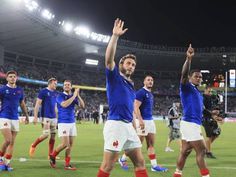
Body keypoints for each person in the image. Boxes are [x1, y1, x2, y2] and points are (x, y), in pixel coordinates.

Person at [97, 18, 149, 177]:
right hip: (116, 126)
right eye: (128, 63)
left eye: (133, 65)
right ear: (121, 65)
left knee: (140, 163)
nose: (131, 66)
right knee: (108, 166)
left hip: (128, 126)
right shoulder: (114, 77)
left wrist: (134, 126)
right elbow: (108, 59)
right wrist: (115, 36)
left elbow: (130, 109)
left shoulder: (131, 85)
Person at [173, 44, 210, 177]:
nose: (199, 78)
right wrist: (188, 59)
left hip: (191, 124)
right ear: (190, 78)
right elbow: (183, 74)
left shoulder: (197, 93)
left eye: (200, 77)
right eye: (196, 76)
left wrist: (213, 115)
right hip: (190, 124)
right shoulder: (186, 87)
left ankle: (177, 174)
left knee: (185, 151)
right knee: (202, 151)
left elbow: (202, 109)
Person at [119, 75, 168, 172]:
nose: (150, 81)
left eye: (152, 80)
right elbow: (135, 107)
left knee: (151, 144)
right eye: (148, 80)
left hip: (150, 121)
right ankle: (122, 159)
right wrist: (140, 120)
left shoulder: (150, 94)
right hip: (143, 121)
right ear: (144, 82)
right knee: (137, 145)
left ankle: (154, 166)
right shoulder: (141, 92)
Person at [49, 80, 85, 170]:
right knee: (65, 144)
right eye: (65, 85)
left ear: (71, 87)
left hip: (72, 122)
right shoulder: (60, 95)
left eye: (68, 85)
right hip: (63, 122)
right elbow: (64, 105)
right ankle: (52, 156)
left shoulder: (73, 96)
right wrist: (74, 96)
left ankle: (67, 164)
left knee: (70, 145)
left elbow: (82, 106)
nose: (66, 86)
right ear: (63, 87)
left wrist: (78, 95)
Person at [0, 70, 29, 171]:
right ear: (7, 78)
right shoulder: (3, 89)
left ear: (16, 78)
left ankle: (7, 164)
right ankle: (0, 158)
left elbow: (22, 103)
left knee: (12, 142)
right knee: (8, 140)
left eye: (14, 76)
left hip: (15, 118)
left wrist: (26, 115)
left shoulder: (20, 90)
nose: (12, 78)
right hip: (4, 116)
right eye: (10, 76)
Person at [29, 78, 58, 159]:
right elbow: (37, 104)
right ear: (50, 83)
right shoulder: (43, 91)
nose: (56, 85)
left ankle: (50, 155)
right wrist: (35, 117)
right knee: (45, 134)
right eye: (55, 83)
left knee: (53, 136)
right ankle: (33, 145)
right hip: (46, 116)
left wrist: (58, 117)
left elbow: (55, 106)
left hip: (54, 117)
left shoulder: (55, 93)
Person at [202, 86, 223, 159]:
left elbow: (211, 109)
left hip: (210, 118)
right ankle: (208, 152)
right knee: (210, 136)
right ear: (205, 90)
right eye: (209, 91)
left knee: (217, 133)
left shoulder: (210, 98)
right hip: (205, 119)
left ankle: (205, 148)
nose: (210, 93)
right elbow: (203, 110)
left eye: (211, 91)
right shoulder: (202, 98)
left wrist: (216, 116)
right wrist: (212, 112)